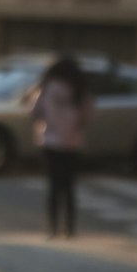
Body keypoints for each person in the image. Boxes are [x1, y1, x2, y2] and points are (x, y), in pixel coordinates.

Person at [30, 56, 95, 239]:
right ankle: (70, 228)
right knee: (69, 187)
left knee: (54, 186)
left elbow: (35, 111)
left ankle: (52, 228)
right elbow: (88, 115)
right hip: (73, 142)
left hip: (50, 141)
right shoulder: (81, 88)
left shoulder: (48, 86)